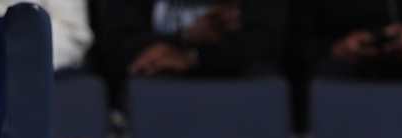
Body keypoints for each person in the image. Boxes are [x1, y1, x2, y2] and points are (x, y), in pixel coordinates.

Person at [92, 0, 281, 79]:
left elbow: (268, 44)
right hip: (154, 90)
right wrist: (184, 37)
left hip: (238, 89)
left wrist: (194, 58)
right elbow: (115, 45)